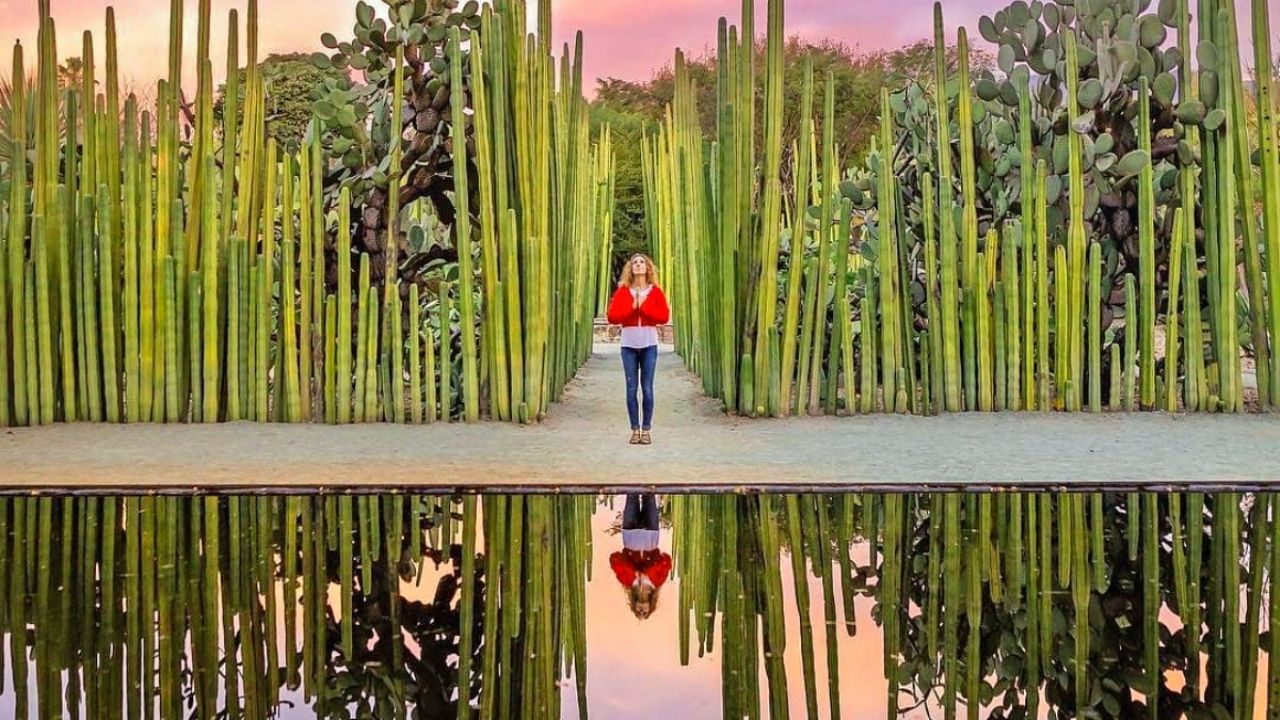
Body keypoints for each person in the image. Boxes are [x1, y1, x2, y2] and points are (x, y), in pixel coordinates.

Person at [605, 254, 670, 445]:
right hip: (628, 345)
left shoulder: (655, 292)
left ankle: (647, 429)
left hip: (649, 344)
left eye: (642, 262)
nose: (639, 265)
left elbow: (663, 316)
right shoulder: (624, 292)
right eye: (635, 262)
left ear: (648, 268)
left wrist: (644, 308)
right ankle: (634, 429)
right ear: (630, 268)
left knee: (647, 389)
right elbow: (613, 317)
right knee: (631, 388)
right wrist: (633, 306)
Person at [609, 493, 670, 620]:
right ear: (650, 607)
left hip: (630, 533)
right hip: (651, 533)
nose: (642, 611)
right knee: (650, 495)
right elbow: (666, 560)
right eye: (645, 613)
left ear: (634, 606)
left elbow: (614, 559)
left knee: (632, 495)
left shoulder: (627, 581)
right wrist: (647, 573)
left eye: (638, 612)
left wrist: (634, 573)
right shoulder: (657, 582)